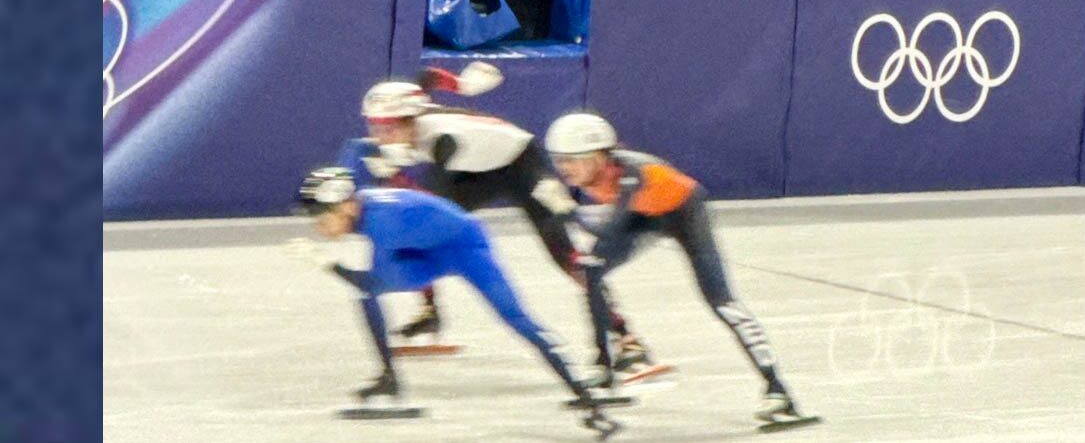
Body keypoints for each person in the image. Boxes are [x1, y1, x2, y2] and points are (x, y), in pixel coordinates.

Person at [339, 66, 657, 379]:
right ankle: (430, 312)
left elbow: (431, 206)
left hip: (522, 166)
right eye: (375, 127)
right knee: (415, 232)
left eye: (390, 129)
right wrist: (460, 84)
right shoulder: (411, 109)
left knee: (566, 257)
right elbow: (428, 76)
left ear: (413, 120)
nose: (380, 137)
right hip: (479, 169)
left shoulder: (442, 140)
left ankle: (626, 338)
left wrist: (393, 177)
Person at [286, 168, 621, 436]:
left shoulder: (382, 223)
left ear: (346, 206)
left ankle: (584, 395)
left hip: (466, 249)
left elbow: (372, 280)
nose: (319, 227)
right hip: (424, 252)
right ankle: (389, 378)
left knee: (518, 320)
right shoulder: (365, 209)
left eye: (321, 218)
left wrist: (328, 264)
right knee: (366, 294)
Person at [544, 112, 819, 431]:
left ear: (600, 156)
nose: (564, 168)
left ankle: (778, 392)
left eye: (571, 160)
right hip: (645, 214)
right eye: (558, 160)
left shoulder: (634, 173)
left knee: (721, 302)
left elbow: (610, 229)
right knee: (590, 269)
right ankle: (604, 369)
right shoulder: (592, 174)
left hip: (685, 213)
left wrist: (569, 212)